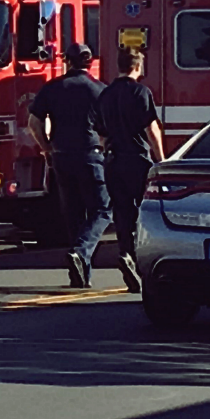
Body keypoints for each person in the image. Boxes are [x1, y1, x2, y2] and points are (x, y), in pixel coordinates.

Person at [28, 43, 111, 289]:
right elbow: (107, 129)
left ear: (67, 61)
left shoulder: (53, 88)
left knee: (73, 213)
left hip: (61, 156)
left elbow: (34, 121)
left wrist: (46, 148)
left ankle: (80, 274)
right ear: (88, 62)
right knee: (102, 209)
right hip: (91, 154)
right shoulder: (99, 90)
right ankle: (80, 251)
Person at [97, 49, 165, 293]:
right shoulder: (141, 92)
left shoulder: (105, 95)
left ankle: (125, 253)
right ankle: (141, 259)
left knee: (122, 212)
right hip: (137, 160)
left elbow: (101, 134)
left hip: (113, 161)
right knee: (145, 211)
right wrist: (162, 160)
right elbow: (152, 130)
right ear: (139, 66)